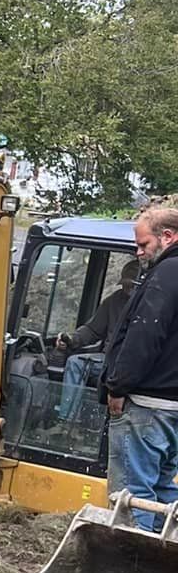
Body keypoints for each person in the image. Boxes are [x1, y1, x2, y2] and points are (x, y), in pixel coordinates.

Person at [103, 204, 178, 528]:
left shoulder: (166, 274)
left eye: (143, 244)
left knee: (130, 499)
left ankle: (130, 571)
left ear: (168, 236)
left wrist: (118, 385)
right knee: (161, 494)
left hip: (147, 405)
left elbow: (145, 332)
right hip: (172, 406)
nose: (139, 252)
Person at [55, 257, 140, 421]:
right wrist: (72, 339)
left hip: (133, 364)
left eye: (131, 285)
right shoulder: (114, 301)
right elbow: (93, 329)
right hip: (107, 359)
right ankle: (67, 420)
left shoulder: (151, 304)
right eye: (125, 285)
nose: (126, 289)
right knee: (75, 363)